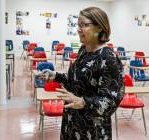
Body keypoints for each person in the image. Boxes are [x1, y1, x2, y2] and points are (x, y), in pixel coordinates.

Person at [42, 7, 124, 140]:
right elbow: (76, 82)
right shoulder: (83, 51)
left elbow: (111, 101)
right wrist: (56, 76)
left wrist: (83, 102)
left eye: (84, 25)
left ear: (99, 27)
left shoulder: (108, 58)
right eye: (78, 25)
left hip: (92, 130)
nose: (79, 29)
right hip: (72, 123)